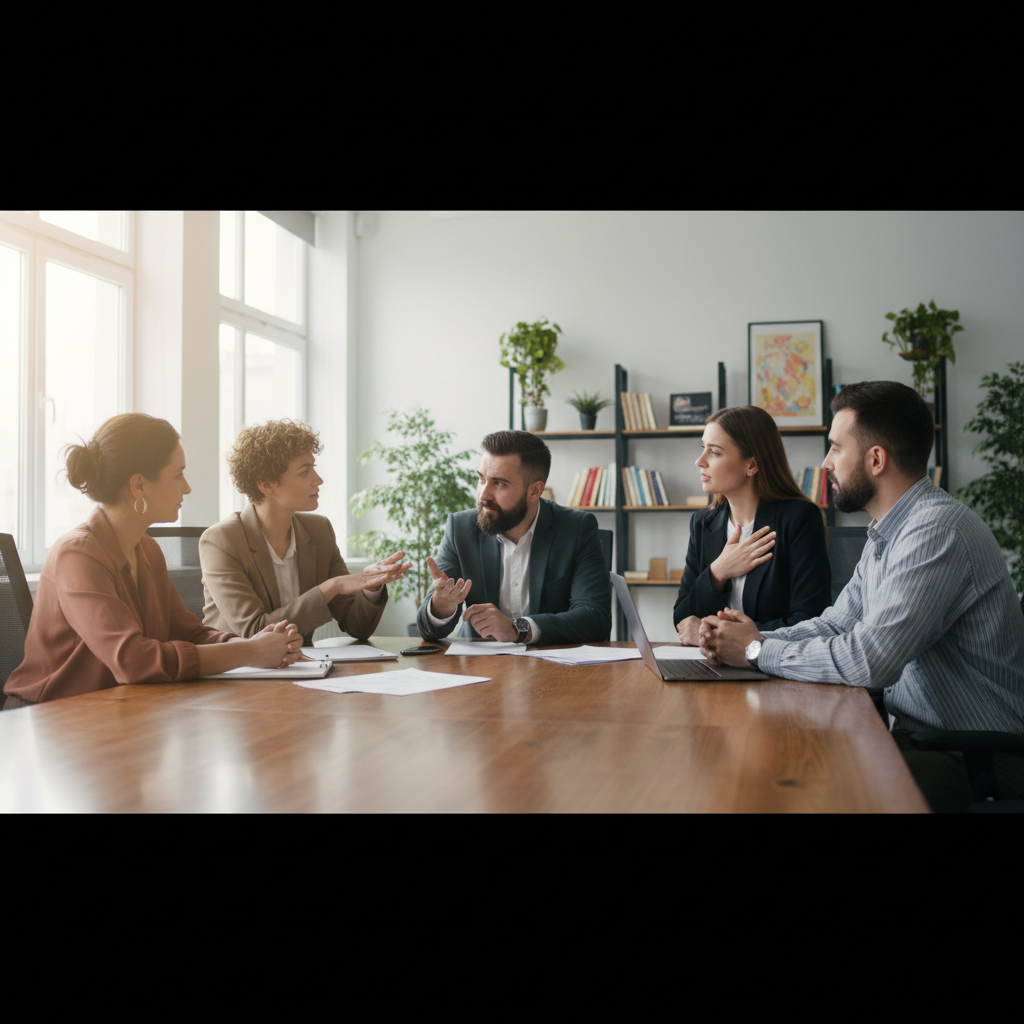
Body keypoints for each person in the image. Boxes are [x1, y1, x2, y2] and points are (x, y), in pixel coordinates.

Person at [697, 381, 1024, 812]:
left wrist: (756, 651)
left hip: (977, 757)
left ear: (875, 459)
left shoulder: (936, 532)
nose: (826, 462)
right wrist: (752, 638)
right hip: (923, 740)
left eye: (835, 448)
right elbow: (837, 622)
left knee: (804, 789)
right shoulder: (888, 532)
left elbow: (871, 661)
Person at [3, 414, 303, 709]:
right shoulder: (78, 554)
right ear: (139, 485)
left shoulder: (146, 549)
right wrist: (248, 653)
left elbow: (190, 632)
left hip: (118, 709)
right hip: (50, 721)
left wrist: (251, 644)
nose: (186, 488)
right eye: (178, 474)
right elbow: (132, 661)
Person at [200, 419, 410, 646]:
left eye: (314, 468)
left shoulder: (319, 531)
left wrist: (371, 586)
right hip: (237, 671)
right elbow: (256, 631)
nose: (318, 480)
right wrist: (332, 586)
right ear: (267, 485)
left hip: (300, 667)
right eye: (304, 472)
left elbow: (356, 626)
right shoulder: (220, 541)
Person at [416, 430, 610, 644]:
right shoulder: (460, 529)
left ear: (534, 491)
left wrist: (518, 629)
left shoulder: (576, 529)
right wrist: (441, 606)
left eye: (499, 483)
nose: (483, 495)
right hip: (479, 668)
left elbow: (596, 618)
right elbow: (428, 631)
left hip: (551, 669)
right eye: (482, 479)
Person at [673, 405, 831, 644]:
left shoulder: (800, 519)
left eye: (714, 452)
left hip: (774, 668)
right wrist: (719, 571)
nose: (699, 461)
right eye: (703, 448)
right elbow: (683, 620)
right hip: (709, 667)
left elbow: (810, 621)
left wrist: (722, 636)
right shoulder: (702, 523)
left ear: (752, 465)